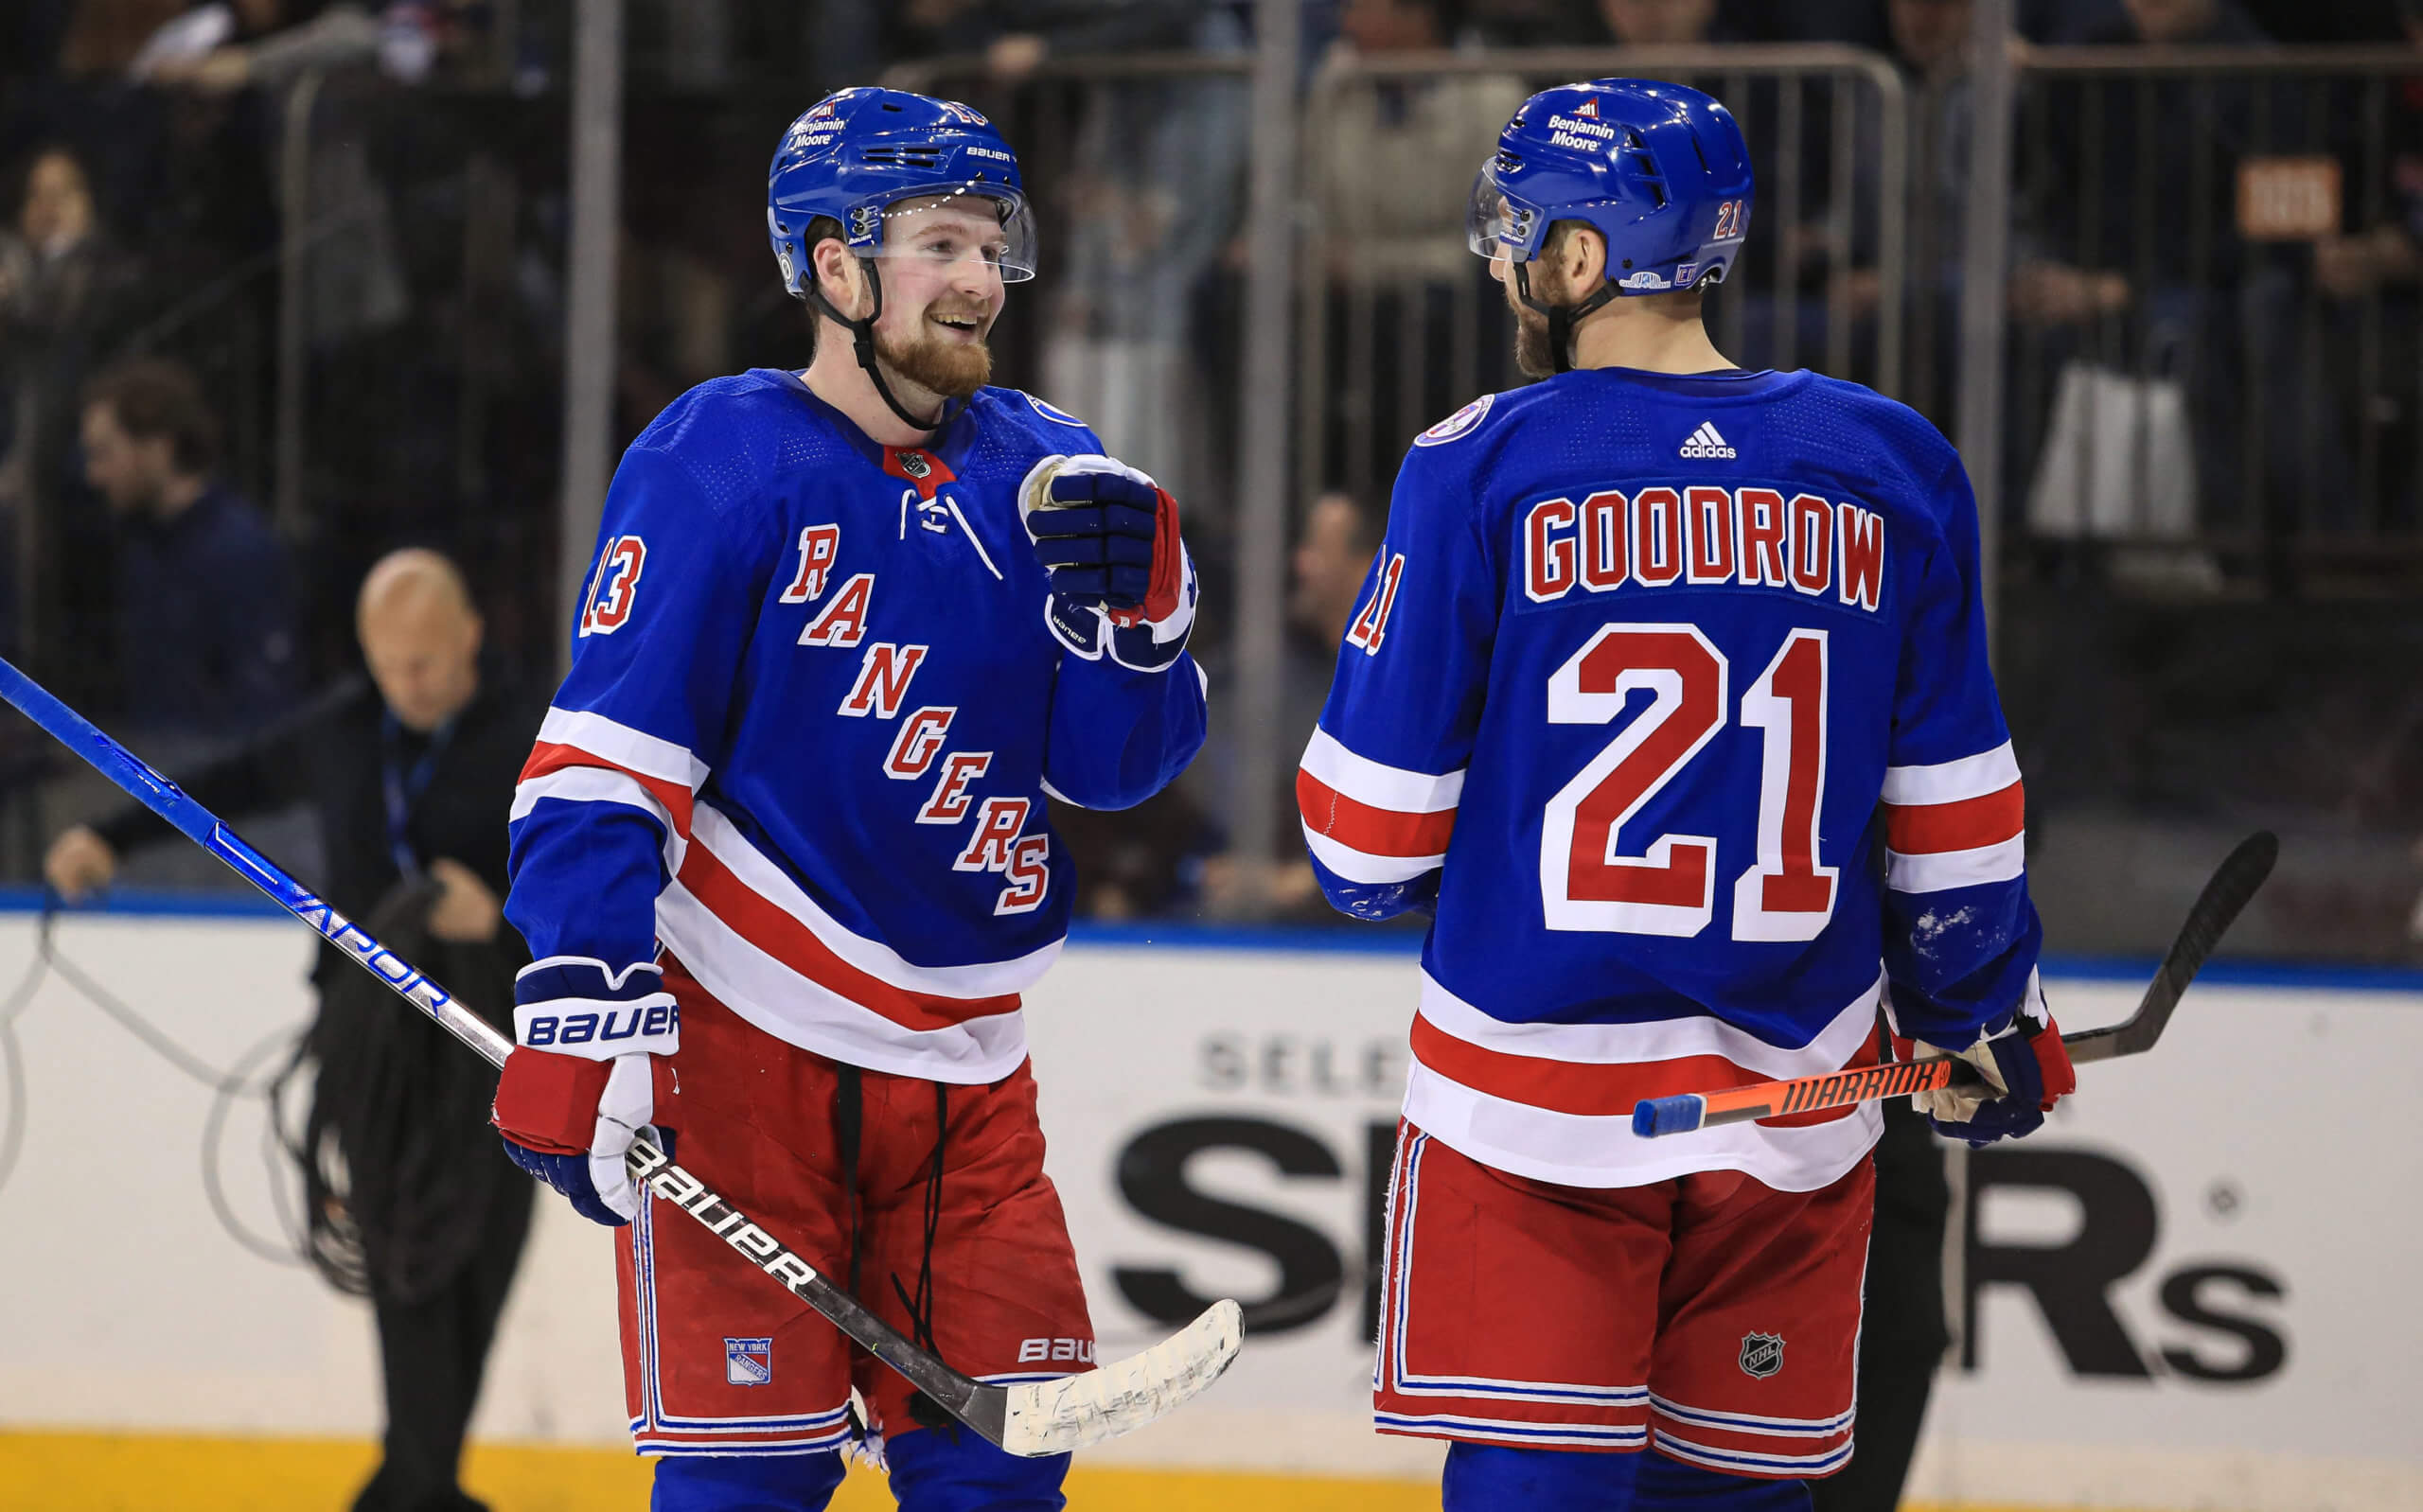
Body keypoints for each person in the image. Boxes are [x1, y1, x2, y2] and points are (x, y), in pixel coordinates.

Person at [1298, 79, 2076, 1510]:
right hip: (1794, 1119)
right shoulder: (1891, 463)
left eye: (1521, 231)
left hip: (1532, 1122)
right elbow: (1956, 822)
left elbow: (1361, 843)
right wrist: (1984, 1018)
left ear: (1582, 259)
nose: (1503, 258)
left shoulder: (1482, 462)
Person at [486, 87, 1206, 1511]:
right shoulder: (722, 456)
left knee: (1002, 1485)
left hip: (970, 1080)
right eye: (941, 242)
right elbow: (605, 758)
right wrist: (589, 1009)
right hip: (745, 1058)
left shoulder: (1044, 463)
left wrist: (1152, 619)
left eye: (992, 243)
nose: (982, 277)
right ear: (832, 266)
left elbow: (1115, 768)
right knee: (743, 1486)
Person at [45, 547, 542, 1512]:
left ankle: (415, 1482)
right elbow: (221, 785)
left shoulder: (534, 739)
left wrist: (505, 917)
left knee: (481, 1265)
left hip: (493, 1045)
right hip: (372, 1051)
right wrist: (107, 831)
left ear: (471, 635)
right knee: (407, 1268)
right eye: (391, 664)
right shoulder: (343, 730)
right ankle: (421, 1484)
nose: (410, 685)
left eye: (428, 663)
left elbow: (611, 877)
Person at [79, 356, 301, 737]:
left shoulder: (240, 551)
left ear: (159, 448)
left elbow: (264, 713)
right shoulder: (142, 549)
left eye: (105, 453)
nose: (94, 475)